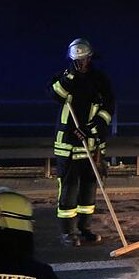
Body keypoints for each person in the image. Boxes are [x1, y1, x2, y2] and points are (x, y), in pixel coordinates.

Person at [49, 37, 115, 246]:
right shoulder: (65, 78)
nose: (81, 64)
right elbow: (56, 94)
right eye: (77, 60)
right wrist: (69, 78)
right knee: (68, 189)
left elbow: (108, 108)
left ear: (90, 57)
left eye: (84, 60)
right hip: (68, 144)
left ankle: (84, 228)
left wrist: (92, 128)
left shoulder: (100, 79)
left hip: (91, 143)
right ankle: (68, 232)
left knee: (88, 188)